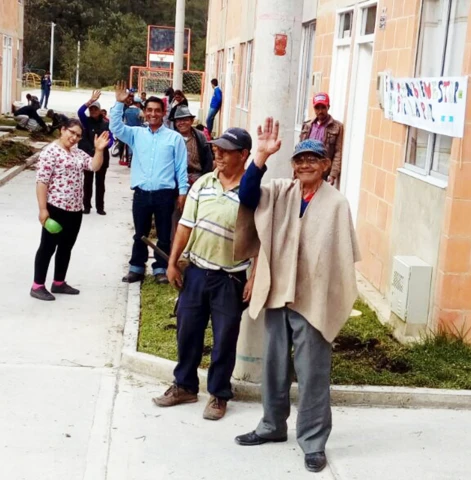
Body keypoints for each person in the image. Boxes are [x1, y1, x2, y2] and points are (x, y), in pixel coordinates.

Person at [234, 122, 360, 473]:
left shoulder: (336, 204)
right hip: (278, 293)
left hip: (313, 298)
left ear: (324, 165)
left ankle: (313, 441)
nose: (305, 165)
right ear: (292, 164)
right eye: (299, 160)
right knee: (274, 368)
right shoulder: (279, 191)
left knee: (313, 373)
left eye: (313, 160)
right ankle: (272, 427)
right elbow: (246, 196)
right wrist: (260, 156)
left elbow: (341, 257)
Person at [152, 127, 256, 422]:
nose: (218, 154)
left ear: (244, 155)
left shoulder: (252, 191)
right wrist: (172, 262)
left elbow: (261, 238)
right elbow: (185, 225)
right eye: (216, 148)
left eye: (225, 150)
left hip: (230, 277)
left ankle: (219, 394)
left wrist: (254, 276)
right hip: (197, 270)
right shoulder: (203, 184)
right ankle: (184, 385)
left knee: (224, 338)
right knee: (188, 332)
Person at [110, 81, 188, 284]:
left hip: (165, 194)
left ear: (163, 113)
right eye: (149, 110)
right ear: (144, 112)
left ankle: (161, 268)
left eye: (157, 111)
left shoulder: (174, 138)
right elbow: (116, 127)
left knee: (164, 234)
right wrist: (119, 104)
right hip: (142, 194)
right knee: (140, 234)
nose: (153, 114)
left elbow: (181, 167)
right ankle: (136, 268)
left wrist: (182, 192)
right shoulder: (135, 134)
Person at [31, 119, 109, 301]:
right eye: (71, 133)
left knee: (66, 247)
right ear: (62, 130)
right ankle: (37, 285)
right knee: (47, 247)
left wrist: (99, 150)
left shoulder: (76, 153)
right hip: (55, 208)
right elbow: (42, 182)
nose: (74, 138)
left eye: (78, 135)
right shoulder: (50, 152)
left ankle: (59, 282)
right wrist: (43, 210)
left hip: (75, 210)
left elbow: (94, 166)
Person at [77, 90, 113, 216]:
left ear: (100, 111)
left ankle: (100, 207)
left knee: (100, 183)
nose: (93, 111)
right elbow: (80, 111)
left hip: (102, 157)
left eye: (95, 109)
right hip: (88, 156)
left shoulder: (106, 124)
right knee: (87, 182)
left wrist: (103, 146)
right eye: (91, 109)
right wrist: (90, 101)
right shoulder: (86, 122)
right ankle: (86, 206)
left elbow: (111, 139)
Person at [300, 92, 344, 186]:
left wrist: (333, 175)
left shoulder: (337, 127)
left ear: (328, 107)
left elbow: (337, 152)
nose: (320, 111)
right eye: (317, 108)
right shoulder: (307, 126)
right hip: (306, 170)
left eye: (323, 107)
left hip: (323, 173)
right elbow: (299, 149)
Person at [174, 105, 213, 185]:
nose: (181, 123)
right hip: (176, 178)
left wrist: (204, 179)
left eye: (185, 120)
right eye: (178, 120)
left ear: (192, 121)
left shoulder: (200, 137)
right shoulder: (171, 138)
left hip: (198, 177)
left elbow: (208, 160)